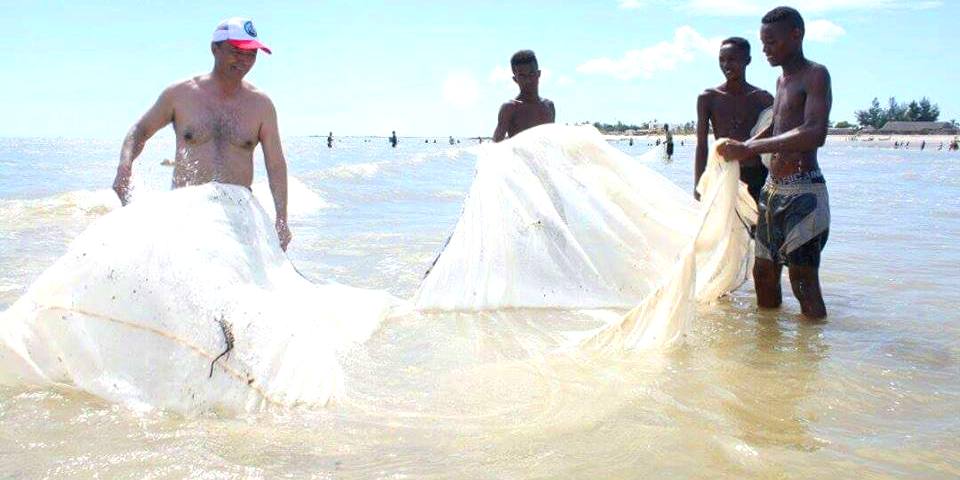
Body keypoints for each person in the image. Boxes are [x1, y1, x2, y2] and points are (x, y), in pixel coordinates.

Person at [111, 17, 291, 250]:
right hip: (187, 210)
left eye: (252, 54)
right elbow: (140, 131)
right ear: (214, 48)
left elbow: (275, 165)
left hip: (238, 213)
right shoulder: (180, 95)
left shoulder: (261, 105)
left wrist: (282, 220)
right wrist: (124, 167)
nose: (245, 60)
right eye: (237, 51)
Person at [719, 6, 832, 319]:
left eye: (772, 42)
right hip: (772, 192)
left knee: (803, 283)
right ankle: (767, 359)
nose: (766, 49)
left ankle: (810, 361)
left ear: (796, 35)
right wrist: (746, 147)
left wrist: (750, 149)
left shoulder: (815, 75)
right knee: (764, 276)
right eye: (763, 43)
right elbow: (778, 125)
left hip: (803, 193)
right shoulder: (782, 82)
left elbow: (813, 132)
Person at [696, 37, 775, 202]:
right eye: (722, 60)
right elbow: (702, 146)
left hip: (758, 177)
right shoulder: (709, 98)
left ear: (747, 60)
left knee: (758, 226)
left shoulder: (763, 99)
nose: (726, 65)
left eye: (732, 59)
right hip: (724, 176)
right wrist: (698, 185)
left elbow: (774, 141)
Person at [493, 50, 556, 142]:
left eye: (531, 74)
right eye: (522, 76)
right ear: (515, 79)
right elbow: (495, 146)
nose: (528, 80)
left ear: (538, 74)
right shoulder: (509, 108)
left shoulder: (549, 106)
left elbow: (553, 142)